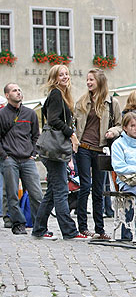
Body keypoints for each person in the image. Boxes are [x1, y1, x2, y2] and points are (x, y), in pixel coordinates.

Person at [32, 65, 89, 241]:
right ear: (55, 78)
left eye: (66, 74)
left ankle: (39, 228)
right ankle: (69, 231)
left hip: (53, 150)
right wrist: (71, 134)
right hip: (54, 150)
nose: (65, 77)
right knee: (61, 190)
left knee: (52, 191)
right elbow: (54, 120)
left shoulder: (61, 95)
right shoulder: (56, 94)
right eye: (61, 75)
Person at [73, 68, 121, 240]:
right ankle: (83, 227)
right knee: (85, 186)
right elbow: (74, 124)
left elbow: (120, 124)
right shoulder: (82, 101)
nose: (88, 82)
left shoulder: (112, 103)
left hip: (101, 149)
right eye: (87, 79)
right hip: (84, 147)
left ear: (99, 81)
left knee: (99, 190)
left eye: (91, 79)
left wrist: (113, 132)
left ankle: (100, 229)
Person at [0, 83, 43, 235]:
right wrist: (4, 156)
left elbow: (36, 136)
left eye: (19, 90)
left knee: (36, 193)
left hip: (27, 159)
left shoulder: (30, 114)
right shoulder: (2, 114)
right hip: (10, 158)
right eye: (14, 90)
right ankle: (18, 224)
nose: (18, 92)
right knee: (11, 194)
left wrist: (33, 152)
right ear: (7, 95)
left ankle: (40, 225)